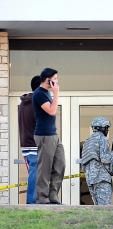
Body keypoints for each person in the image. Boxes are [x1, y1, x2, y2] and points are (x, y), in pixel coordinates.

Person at [33, 68, 65, 204]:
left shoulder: (47, 93)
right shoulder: (39, 94)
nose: (57, 81)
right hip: (44, 135)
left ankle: (53, 195)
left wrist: (53, 94)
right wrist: (56, 93)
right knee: (45, 167)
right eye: (55, 78)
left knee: (60, 164)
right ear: (48, 79)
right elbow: (52, 111)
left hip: (53, 134)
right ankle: (42, 197)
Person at [81, 116, 113, 205]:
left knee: (98, 208)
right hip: (102, 179)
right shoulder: (102, 139)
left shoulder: (87, 141)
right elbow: (105, 159)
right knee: (105, 208)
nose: (107, 130)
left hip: (91, 180)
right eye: (106, 128)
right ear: (101, 127)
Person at [18, 75, 41, 204]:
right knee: (35, 173)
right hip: (35, 145)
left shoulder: (23, 103)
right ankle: (32, 202)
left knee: (35, 173)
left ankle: (37, 201)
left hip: (26, 144)